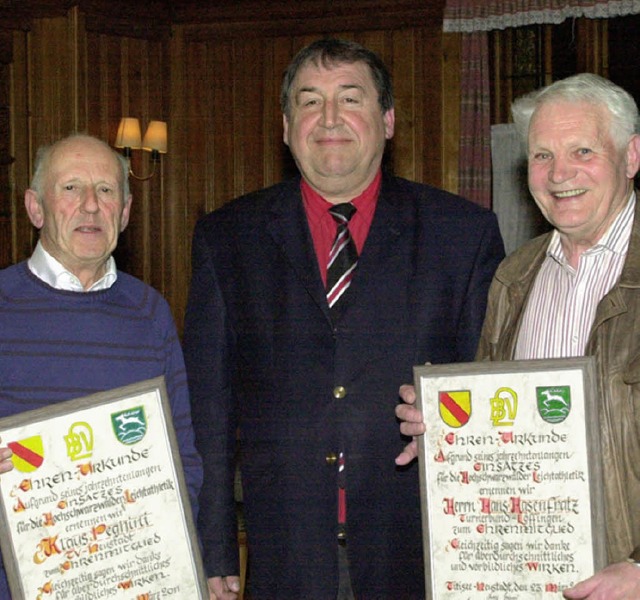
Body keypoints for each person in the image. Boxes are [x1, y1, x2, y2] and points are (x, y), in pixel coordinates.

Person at [182, 38, 505, 600]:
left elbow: (493, 402)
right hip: (284, 555)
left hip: (420, 553)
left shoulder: (464, 236)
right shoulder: (227, 239)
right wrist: (212, 546)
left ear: (387, 121)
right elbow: (209, 412)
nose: (328, 118)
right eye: (310, 102)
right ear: (286, 127)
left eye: (350, 100)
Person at [396, 72, 640, 599]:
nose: (560, 174)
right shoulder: (513, 277)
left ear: (631, 156)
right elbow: (506, 427)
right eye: (542, 156)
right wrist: (446, 429)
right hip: (525, 577)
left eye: (582, 151)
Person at [0, 133, 203, 598]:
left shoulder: (150, 312)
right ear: (35, 208)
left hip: (132, 580)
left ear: (126, 212)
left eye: (106, 190)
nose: (90, 205)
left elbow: (184, 459)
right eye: (70, 188)